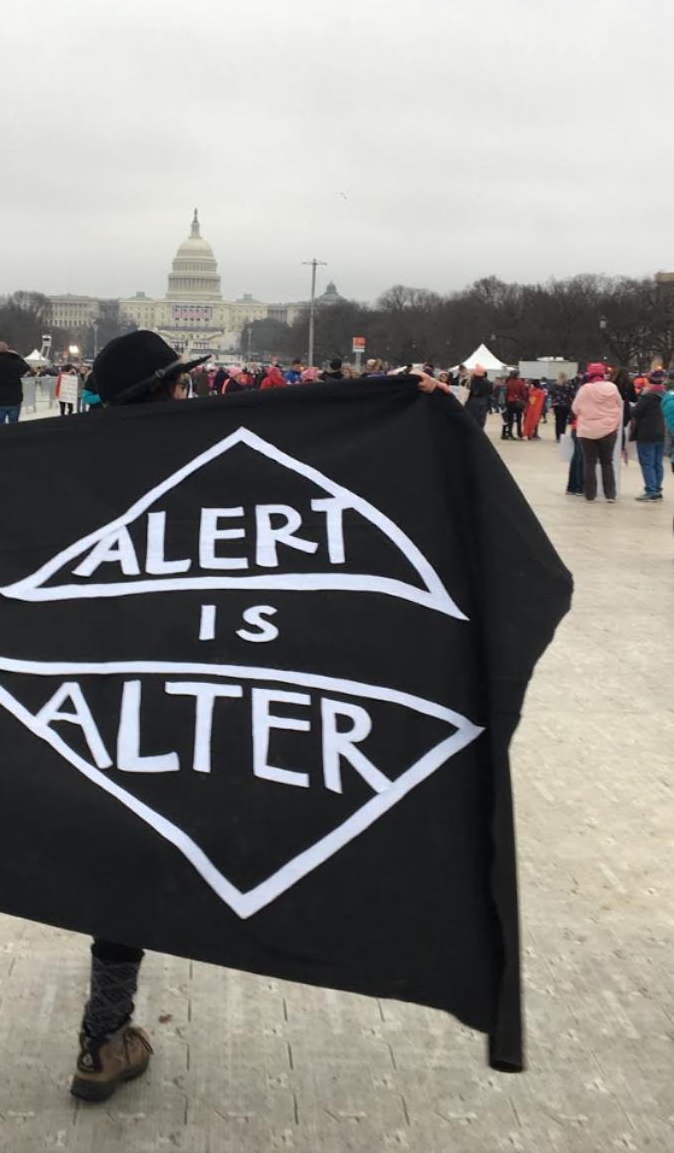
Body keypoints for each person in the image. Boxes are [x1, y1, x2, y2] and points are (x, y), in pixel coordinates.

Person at [69, 330, 453, 1102]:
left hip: (112, 693)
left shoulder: (70, 461)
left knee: (123, 862)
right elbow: (324, 463)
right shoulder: (206, 453)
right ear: (170, 389)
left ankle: (101, 1039)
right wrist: (400, 402)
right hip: (196, 688)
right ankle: (124, 1018)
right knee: (196, 841)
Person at [571, 363, 623, 503]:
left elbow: (575, 409)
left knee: (589, 462)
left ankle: (590, 495)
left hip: (587, 430)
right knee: (607, 462)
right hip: (609, 429)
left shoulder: (585, 389)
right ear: (603, 373)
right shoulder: (612, 388)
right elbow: (619, 405)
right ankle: (610, 494)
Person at [628, 371, 666, 501]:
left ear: (649, 381)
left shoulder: (647, 397)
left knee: (647, 463)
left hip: (646, 433)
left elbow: (636, 413)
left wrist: (630, 408)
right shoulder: (666, 395)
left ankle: (651, 491)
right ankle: (657, 489)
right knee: (657, 463)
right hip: (661, 433)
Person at [0, 342, 30, 424]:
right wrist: (16, 356)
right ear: (7, 350)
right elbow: (26, 367)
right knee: (14, 426)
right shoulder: (14, 362)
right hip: (14, 398)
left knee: (0, 426)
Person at [547, 372, 575, 441]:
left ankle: (557, 436)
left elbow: (551, 393)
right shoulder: (569, 384)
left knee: (557, 420)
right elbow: (572, 395)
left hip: (557, 405)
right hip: (566, 405)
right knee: (564, 421)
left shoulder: (555, 384)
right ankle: (562, 435)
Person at [502, 370, 527, 439]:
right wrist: (524, 400)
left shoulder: (509, 383)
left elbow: (506, 394)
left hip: (510, 402)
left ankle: (510, 433)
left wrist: (506, 402)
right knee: (519, 419)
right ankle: (519, 433)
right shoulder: (520, 383)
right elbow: (523, 393)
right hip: (518, 402)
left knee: (510, 419)